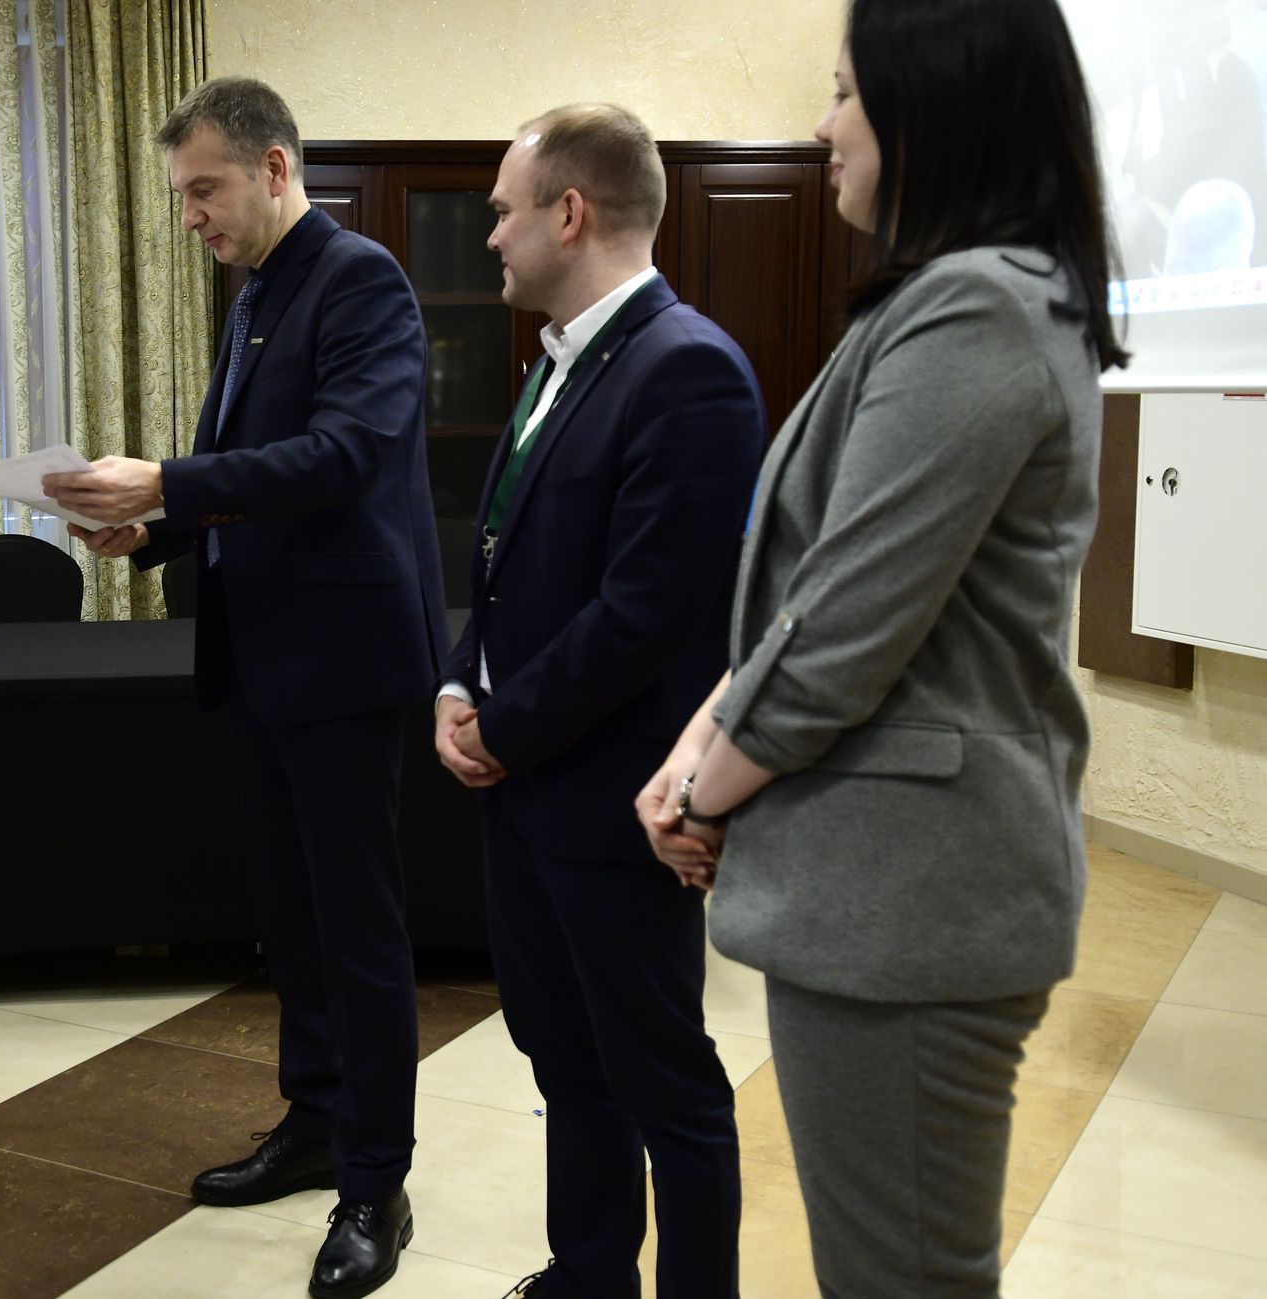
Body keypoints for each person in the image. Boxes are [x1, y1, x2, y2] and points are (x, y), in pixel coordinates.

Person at [636, 1, 1128, 1293]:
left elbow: (846, 626)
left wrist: (699, 787)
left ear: (934, 108)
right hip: (888, 890)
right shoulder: (959, 295)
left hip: (910, 899)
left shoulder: (977, 306)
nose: (822, 127)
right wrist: (698, 743)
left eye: (845, 93)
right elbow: (813, 593)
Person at [42, 76, 446, 1299]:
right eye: (180, 197)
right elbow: (246, 469)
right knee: (293, 922)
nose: (190, 217)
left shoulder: (360, 279)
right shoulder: (260, 289)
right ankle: (315, 1122)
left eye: (203, 190)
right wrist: (153, 530)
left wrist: (164, 483)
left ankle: (375, 1181)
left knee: (356, 931)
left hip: (342, 662)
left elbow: (343, 456)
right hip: (264, 659)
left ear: (276, 168)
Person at [435, 104, 764, 1299]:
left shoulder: (686, 370)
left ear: (568, 212)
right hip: (528, 798)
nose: (490, 237)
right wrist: (457, 680)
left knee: (662, 1083)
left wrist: (502, 728)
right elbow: (500, 563)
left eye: (502, 212)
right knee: (564, 1063)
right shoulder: (557, 361)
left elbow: (645, 615)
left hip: (616, 805)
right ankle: (587, 1277)